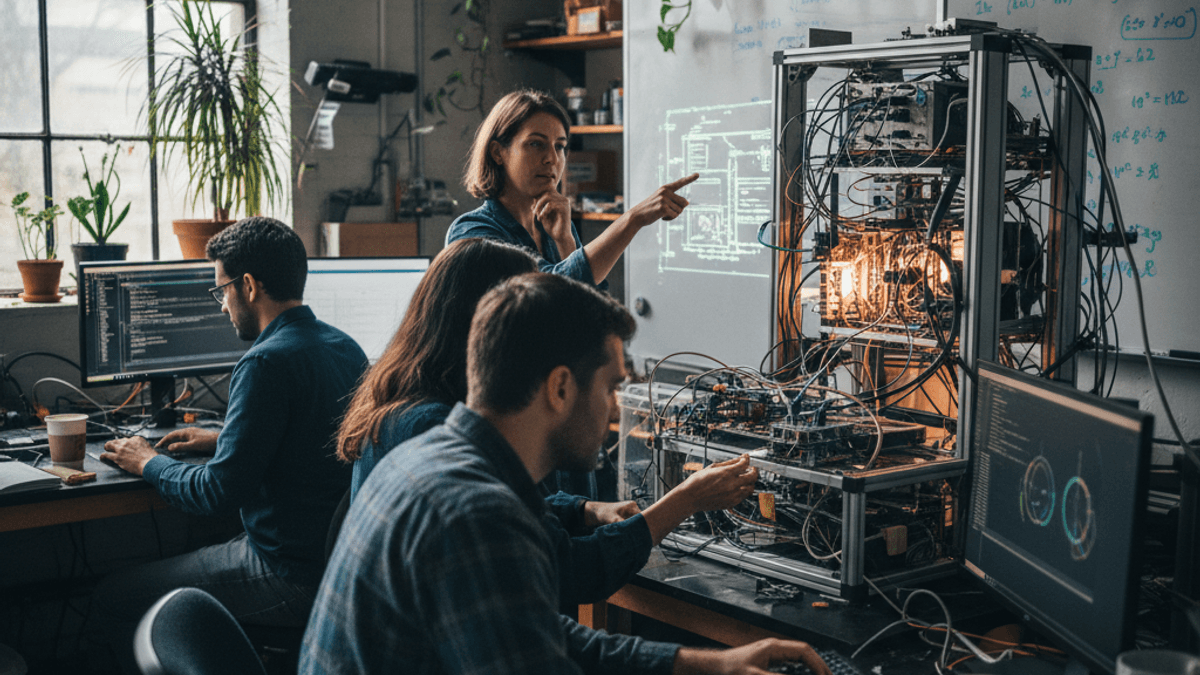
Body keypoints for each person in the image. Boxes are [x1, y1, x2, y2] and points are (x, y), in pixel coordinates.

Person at [300, 273, 829, 675]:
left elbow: (540, 633)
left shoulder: (437, 459)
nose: (615, 411)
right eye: (610, 387)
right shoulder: (479, 512)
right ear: (559, 388)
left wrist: (707, 664)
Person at [336, 237, 759, 606]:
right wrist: (683, 502)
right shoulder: (439, 439)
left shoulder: (425, 420)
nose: (614, 409)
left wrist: (584, 509)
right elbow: (566, 571)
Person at [95, 217, 368, 671]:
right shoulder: (345, 348)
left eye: (221, 290)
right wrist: (223, 438)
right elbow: (311, 438)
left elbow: (217, 493)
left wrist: (147, 462)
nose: (222, 306)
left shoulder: (264, 363)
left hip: (289, 576)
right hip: (339, 567)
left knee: (112, 596)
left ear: (248, 285)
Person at [445, 88, 699, 287]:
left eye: (560, 146)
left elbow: (590, 306)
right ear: (498, 152)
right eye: (536, 144)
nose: (552, 159)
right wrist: (632, 219)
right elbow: (544, 292)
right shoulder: (471, 233)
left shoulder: (553, 226)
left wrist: (566, 240)